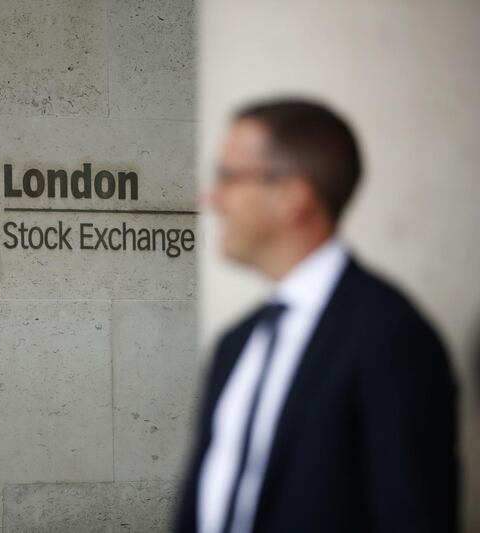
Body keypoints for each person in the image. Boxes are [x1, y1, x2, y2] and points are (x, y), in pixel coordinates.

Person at [176, 99, 458, 533]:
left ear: (293, 195)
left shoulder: (393, 339)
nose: (210, 197)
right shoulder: (235, 344)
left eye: (229, 177)